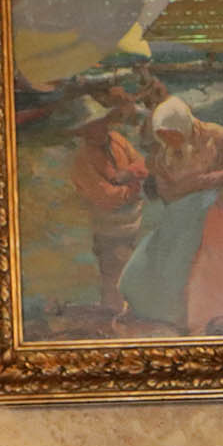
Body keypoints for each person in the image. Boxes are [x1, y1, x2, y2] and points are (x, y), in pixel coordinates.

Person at [118, 95, 223, 334]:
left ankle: (206, 318)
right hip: (180, 212)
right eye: (162, 135)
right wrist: (202, 181)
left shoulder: (220, 137)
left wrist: (215, 181)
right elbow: (167, 191)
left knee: (211, 267)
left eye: (171, 134)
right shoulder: (163, 153)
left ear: (183, 125)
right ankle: (167, 315)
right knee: (148, 265)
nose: (168, 140)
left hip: (216, 210)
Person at [68, 92, 148, 314]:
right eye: (95, 125)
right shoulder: (82, 159)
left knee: (135, 269)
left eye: (102, 122)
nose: (101, 128)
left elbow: (142, 164)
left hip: (134, 222)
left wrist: (130, 174)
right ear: (84, 131)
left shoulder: (117, 140)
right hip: (109, 229)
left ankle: (129, 312)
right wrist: (133, 187)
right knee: (114, 274)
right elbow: (106, 197)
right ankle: (115, 315)